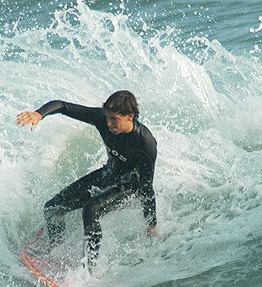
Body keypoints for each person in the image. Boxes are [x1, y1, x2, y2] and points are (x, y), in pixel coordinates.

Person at [17, 90, 159, 269]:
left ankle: (89, 269)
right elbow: (62, 106)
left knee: (91, 210)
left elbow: (146, 187)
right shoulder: (102, 119)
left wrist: (151, 223)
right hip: (109, 174)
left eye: (114, 119)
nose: (108, 123)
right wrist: (39, 114)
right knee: (53, 207)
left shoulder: (145, 144)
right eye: (107, 118)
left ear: (130, 117)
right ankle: (56, 252)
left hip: (130, 185)